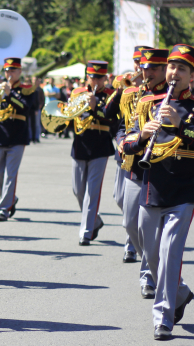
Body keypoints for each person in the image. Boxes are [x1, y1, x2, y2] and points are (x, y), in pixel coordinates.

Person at [122, 44, 194, 340]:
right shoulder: (147, 102)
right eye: (172, 67)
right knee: (151, 254)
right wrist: (142, 136)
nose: (174, 73)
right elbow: (126, 144)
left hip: (185, 188)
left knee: (170, 252)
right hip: (153, 185)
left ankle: (162, 317)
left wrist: (179, 127)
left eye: (182, 69)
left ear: (192, 75)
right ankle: (181, 293)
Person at [116, 48, 170, 299]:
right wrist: (122, 140)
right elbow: (119, 124)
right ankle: (155, 264)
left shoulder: (171, 96)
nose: (145, 72)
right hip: (134, 164)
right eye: (143, 67)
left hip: (159, 168)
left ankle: (149, 276)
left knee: (149, 227)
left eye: (152, 69)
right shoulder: (133, 94)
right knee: (129, 223)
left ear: (163, 70)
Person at [107, 45, 149, 260]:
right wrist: (120, 91)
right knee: (119, 198)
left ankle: (131, 245)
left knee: (136, 205)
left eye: (142, 63)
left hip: (142, 153)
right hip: (124, 150)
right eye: (136, 62)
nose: (138, 67)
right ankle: (134, 236)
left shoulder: (153, 89)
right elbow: (109, 114)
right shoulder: (124, 83)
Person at [71, 60, 115, 245]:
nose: (95, 80)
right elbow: (70, 114)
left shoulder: (112, 95)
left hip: (100, 146)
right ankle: (95, 221)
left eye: (99, 77)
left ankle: (86, 233)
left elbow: (113, 120)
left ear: (105, 78)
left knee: (92, 192)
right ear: (87, 76)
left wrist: (96, 107)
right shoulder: (77, 92)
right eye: (92, 77)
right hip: (80, 144)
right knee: (77, 190)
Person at [0, 57, 35, 221]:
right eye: (7, 70)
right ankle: (11, 199)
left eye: (12, 70)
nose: (9, 73)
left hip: (17, 137)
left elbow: (25, 108)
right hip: (0, 136)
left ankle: (3, 209)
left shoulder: (27, 89)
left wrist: (9, 95)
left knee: (10, 174)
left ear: (19, 72)